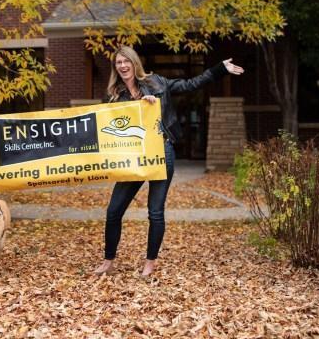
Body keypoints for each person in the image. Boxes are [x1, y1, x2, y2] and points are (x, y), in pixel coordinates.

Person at [94, 46, 244, 277]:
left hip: (161, 152)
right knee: (114, 211)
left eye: (126, 61)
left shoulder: (156, 83)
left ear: (135, 63)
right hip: (132, 158)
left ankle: (149, 263)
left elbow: (189, 85)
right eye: (118, 63)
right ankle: (108, 261)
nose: (122, 66)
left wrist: (218, 69)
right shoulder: (114, 93)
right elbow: (107, 126)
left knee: (155, 212)